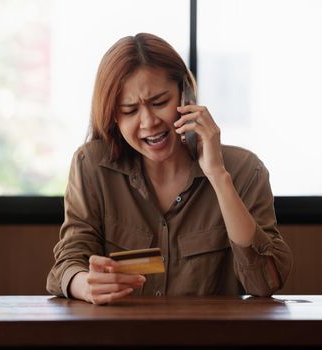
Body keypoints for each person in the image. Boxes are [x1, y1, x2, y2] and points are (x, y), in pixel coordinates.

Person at [46, 33, 292, 305]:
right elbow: (68, 262)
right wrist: (85, 285)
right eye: (129, 111)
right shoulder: (91, 166)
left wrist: (218, 177)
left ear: (186, 96)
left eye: (160, 102)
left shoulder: (245, 170)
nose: (149, 122)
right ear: (113, 117)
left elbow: (265, 283)